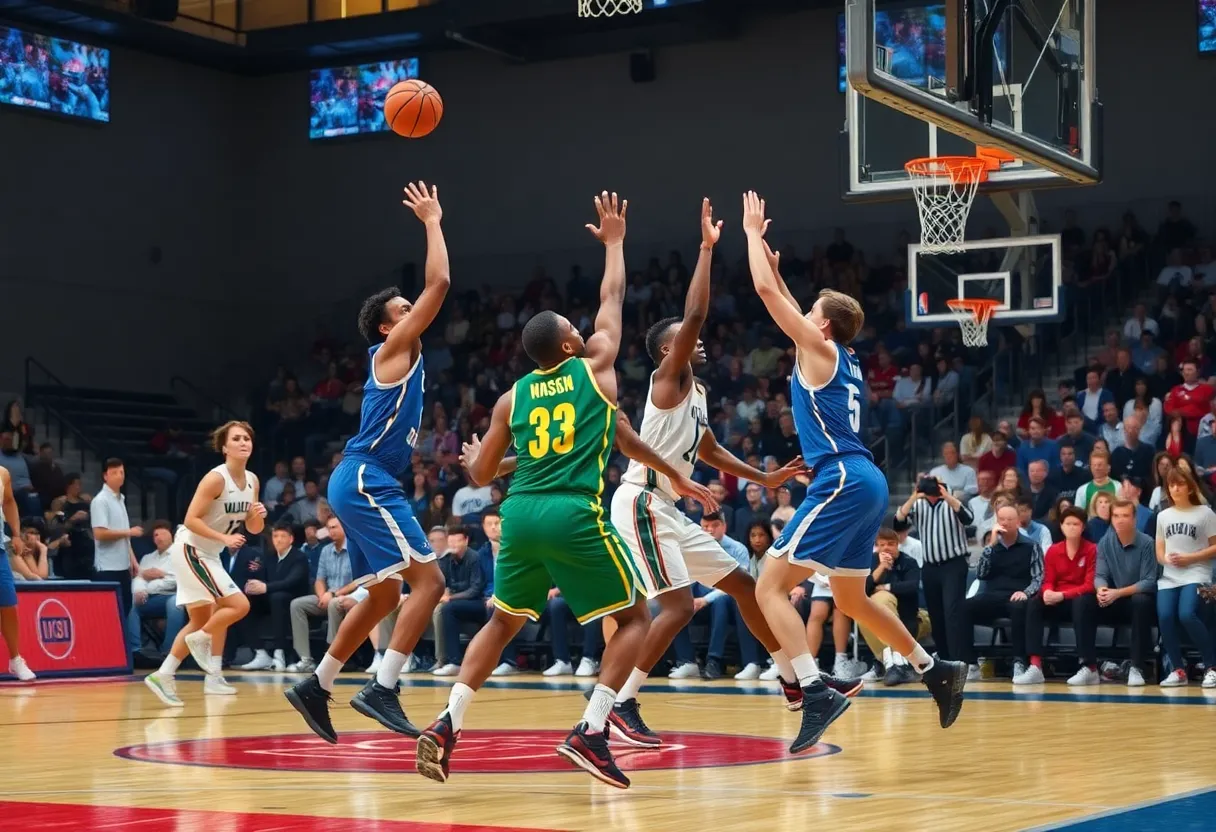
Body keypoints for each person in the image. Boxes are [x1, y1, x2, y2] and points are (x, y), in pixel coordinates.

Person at [413, 192, 714, 789]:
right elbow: (612, 298)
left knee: (502, 620)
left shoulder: (510, 398)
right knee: (635, 618)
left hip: (519, 512)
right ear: (572, 347)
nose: (586, 330)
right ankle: (593, 729)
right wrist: (615, 243)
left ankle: (448, 722)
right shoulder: (595, 366)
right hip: (574, 510)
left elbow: (479, 475)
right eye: (577, 331)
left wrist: (479, 460)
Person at [741, 191, 965, 757]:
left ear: (823, 327)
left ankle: (814, 690)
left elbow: (770, 297)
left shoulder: (818, 350)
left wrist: (748, 237)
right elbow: (786, 298)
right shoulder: (838, 354)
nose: (804, 318)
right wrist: (775, 264)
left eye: (811, 314)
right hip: (863, 478)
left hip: (839, 476)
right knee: (852, 598)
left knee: (767, 586)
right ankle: (932, 667)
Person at [606, 199, 835, 749]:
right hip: (641, 502)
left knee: (747, 586)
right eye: (685, 341)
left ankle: (793, 682)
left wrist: (765, 477)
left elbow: (707, 449)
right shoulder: (669, 377)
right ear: (668, 350)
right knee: (679, 606)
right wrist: (707, 250)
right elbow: (694, 318)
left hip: (668, 507)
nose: (699, 343)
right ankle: (622, 703)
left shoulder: (698, 393)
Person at [285, 181, 452, 742]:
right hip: (365, 480)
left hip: (356, 480)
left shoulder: (401, 358)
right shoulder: (393, 349)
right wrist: (432, 220)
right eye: (404, 310)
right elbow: (441, 282)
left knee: (383, 593)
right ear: (388, 327)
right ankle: (383, 686)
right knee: (428, 583)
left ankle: (317, 683)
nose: (414, 310)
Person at [143, 422, 262, 707]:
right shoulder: (215, 479)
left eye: (247, 438)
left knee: (204, 617)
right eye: (236, 438)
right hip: (191, 549)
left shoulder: (253, 481)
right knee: (238, 605)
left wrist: (258, 514)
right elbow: (191, 519)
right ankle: (201, 642)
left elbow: (254, 528)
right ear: (224, 447)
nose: (244, 442)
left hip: (210, 551)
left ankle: (168, 674)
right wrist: (223, 537)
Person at [1017, 507, 1098, 685]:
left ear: (1083, 527)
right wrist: (1047, 592)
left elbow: (1089, 585)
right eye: (1067, 523)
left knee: (1082, 602)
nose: (1071, 527)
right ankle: (1035, 665)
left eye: (1076, 524)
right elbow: (1048, 579)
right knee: (1034, 603)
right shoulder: (1054, 550)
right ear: (1061, 526)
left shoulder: (1092, 549)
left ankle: (1089, 667)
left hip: (1079, 601)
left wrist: (1062, 595)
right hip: (1057, 601)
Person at [963, 505, 1040, 682]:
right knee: (964, 607)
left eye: (1009, 519)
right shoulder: (993, 547)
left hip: (1018, 595)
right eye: (1001, 519)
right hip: (994, 595)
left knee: (1019, 607)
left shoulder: (1031, 546)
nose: (1005, 523)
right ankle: (970, 663)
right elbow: (981, 574)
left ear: (1018, 523)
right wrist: (990, 545)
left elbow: (1038, 578)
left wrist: (1026, 592)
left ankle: (1019, 662)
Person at [1154, 469, 1216, 688]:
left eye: (1180, 484)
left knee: (1187, 614)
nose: (1176, 488)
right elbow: (1159, 551)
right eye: (1171, 485)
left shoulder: (1205, 513)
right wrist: (1167, 561)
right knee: (1165, 617)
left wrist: (1190, 558)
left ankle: (1211, 666)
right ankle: (1178, 670)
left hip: (1197, 572)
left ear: (1190, 487)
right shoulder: (1163, 515)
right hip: (1170, 576)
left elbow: (1215, 547)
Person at [1091, 499, 1159, 687]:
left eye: (1125, 516)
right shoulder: (1105, 542)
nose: (1120, 520)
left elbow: (1149, 582)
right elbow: (1100, 575)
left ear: (1134, 519)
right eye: (1116, 516)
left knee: (1140, 601)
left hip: (1141, 600)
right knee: (1084, 602)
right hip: (1117, 598)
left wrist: (1117, 593)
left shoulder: (1147, 543)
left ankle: (1136, 667)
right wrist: (1101, 589)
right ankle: (1087, 666)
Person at [858, 528, 923, 686]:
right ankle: (893, 664)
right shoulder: (870, 561)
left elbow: (912, 587)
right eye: (882, 544)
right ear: (877, 546)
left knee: (882, 598)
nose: (887, 548)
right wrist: (881, 568)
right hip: (878, 619)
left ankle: (884, 664)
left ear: (898, 545)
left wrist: (886, 587)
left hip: (910, 617)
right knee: (864, 614)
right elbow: (863, 589)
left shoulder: (909, 562)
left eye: (891, 544)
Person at [91, 458, 143, 654]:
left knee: (125, 608)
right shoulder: (100, 501)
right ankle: (107, 651)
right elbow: (100, 533)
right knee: (109, 612)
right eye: (114, 472)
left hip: (122, 565)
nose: (119, 476)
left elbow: (123, 537)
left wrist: (133, 560)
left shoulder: (120, 499)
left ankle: (121, 651)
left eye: (121, 472)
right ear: (105, 476)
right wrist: (128, 532)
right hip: (107, 567)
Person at [0, 467, 35, 680]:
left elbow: (10, 501)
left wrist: (15, 534)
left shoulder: (3, 473)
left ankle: (15, 659)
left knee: (8, 605)